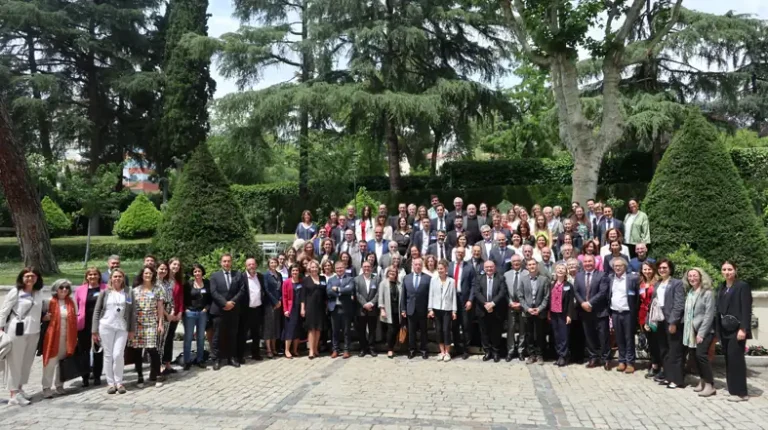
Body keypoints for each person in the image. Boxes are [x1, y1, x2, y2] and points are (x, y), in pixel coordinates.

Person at [0, 268, 44, 405]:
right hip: (17, 330)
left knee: (26, 362)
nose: (30, 279)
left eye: (33, 276)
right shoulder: (16, 292)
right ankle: (13, 394)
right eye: (27, 276)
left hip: (34, 330)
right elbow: (4, 311)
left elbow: (39, 310)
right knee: (15, 362)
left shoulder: (38, 293)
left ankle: (20, 389)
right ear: (22, 278)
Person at [92, 269, 135, 395]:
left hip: (122, 327)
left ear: (123, 278)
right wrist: (94, 330)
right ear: (111, 278)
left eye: (120, 276)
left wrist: (132, 329)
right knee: (108, 355)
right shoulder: (105, 292)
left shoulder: (128, 292)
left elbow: (132, 311)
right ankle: (111, 383)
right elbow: (97, 311)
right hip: (106, 326)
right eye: (115, 276)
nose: (117, 278)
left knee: (118, 354)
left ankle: (119, 382)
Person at [716, 261, 752, 401]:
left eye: (730, 269)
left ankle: (741, 392)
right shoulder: (722, 287)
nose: (727, 272)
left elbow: (746, 309)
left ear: (735, 270)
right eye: (724, 269)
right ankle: (732, 389)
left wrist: (743, 329)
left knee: (736, 359)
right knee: (729, 359)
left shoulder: (742, 286)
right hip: (725, 329)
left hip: (737, 329)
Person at [41, 279, 79, 398]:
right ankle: (46, 387)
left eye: (66, 288)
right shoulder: (49, 302)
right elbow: (41, 317)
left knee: (62, 362)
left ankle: (59, 385)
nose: (64, 290)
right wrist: (44, 318)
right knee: (50, 363)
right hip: (52, 337)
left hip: (66, 337)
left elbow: (75, 318)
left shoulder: (71, 302)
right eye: (61, 287)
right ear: (56, 289)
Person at [130, 266, 165, 388]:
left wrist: (160, 323)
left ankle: (158, 375)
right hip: (138, 323)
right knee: (138, 350)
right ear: (142, 275)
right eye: (145, 273)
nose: (148, 275)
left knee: (152, 349)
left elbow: (160, 308)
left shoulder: (158, 289)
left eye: (150, 273)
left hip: (151, 322)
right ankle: (140, 377)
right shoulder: (135, 290)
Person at [652, 259, 686, 389]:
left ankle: (677, 380)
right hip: (660, 320)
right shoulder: (657, 284)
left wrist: (673, 322)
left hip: (671, 321)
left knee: (675, 351)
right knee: (664, 350)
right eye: (660, 268)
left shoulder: (677, 283)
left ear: (670, 269)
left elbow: (679, 304)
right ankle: (667, 376)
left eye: (665, 268)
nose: (662, 270)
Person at [683, 267, 716, 397]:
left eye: (695, 276)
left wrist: (701, 333)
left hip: (704, 330)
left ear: (701, 277)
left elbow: (709, 315)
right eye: (690, 276)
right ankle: (702, 382)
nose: (692, 278)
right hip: (691, 330)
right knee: (695, 357)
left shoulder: (707, 293)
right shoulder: (691, 292)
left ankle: (710, 385)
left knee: (702, 356)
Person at [209, 253, 245, 370]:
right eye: (224, 261)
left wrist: (232, 303)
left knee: (232, 335)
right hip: (219, 310)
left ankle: (232, 357)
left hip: (233, 310)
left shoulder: (238, 274)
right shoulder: (215, 276)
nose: (226, 263)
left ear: (231, 262)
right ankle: (216, 359)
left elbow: (242, 290)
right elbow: (213, 292)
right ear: (221, 263)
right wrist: (225, 303)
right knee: (217, 336)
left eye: (228, 261)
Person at [574, 255, 610, 368]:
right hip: (585, 311)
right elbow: (576, 291)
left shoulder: (602, 274)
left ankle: (605, 358)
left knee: (603, 336)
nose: (588, 263)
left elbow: (603, 292)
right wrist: (582, 303)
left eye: (590, 261)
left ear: (595, 263)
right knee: (589, 336)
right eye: (585, 261)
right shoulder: (578, 275)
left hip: (600, 311)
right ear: (582, 263)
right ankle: (593, 358)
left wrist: (589, 303)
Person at [607, 257, 639, 373]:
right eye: (615, 266)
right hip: (615, 312)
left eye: (620, 265)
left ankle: (630, 362)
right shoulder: (611, 278)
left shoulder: (632, 279)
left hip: (628, 313)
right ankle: (621, 361)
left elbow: (637, 298)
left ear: (625, 267)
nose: (618, 268)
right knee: (619, 338)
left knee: (629, 338)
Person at [75, 267, 107, 387]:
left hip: (100, 324)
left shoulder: (105, 288)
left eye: (95, 274)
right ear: (87, 277)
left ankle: (97, 376)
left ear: (99, 276)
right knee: (84, 351)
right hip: (84, 324)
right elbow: (77, 306)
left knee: (98, 351)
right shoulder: (80, 290)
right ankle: (85, 377)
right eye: (90, 275)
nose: (92, 277)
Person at [474, 260, 506, 362]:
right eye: (487, 267)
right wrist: (486, 304)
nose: (489, 269)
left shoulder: (500, 278)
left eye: (491, 267)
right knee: (484, 332)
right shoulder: (479, 278)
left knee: (496, 332)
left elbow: (502, 292)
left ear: (494, 268)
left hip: (496, 310)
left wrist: (492, 303)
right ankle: (487, 351)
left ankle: (496, 352)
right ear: (484, 268)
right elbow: (477, 292)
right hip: (483, 310)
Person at [519, 259, 550, 365]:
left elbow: (546, 296)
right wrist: (527, 308)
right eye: (529, 264)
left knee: (540, 335)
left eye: (533, 264)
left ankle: (540, 355)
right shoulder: (523, 279)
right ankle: (531, 355)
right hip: (528, 312)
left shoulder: (544, 280)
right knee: (529, 335)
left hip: (539, 312)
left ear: (537, 266)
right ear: (527, 267)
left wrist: (540, 309)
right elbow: (520, 296)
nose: (531, 266)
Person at [401, 257, 432, 359]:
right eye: (416, 264)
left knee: (424, 331)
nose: (418, 266)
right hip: (410, 309)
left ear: (422, 266)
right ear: (412, 266)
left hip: (423, 310)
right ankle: (411, 350)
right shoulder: (406, 278)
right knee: (411, 331)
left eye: (419, 264)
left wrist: (429, 309)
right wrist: (403, 309)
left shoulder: (428, 278)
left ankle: (423, 350)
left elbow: (430, 295)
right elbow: (403, 295)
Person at [182, 264, 211, 370]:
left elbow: (210, 298)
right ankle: (187, 361)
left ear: (202, 272)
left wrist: (206, 309)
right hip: (190, 313)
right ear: (193, 273)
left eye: (199, 271)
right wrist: (186, 309)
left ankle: (200, 360)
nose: (197, 273)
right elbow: (183, 298)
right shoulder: (188, 284)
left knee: (200, 337)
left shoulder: (207, 283)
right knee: (188, 338)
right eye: (195, 272)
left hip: (202, 313)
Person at [428, 260, 457, 361]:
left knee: (446, 330)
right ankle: (442, 352)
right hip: (436, 309)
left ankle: (447, 352)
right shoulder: (433, 280)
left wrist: (454, 311)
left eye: (442, 268)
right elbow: (431, 294)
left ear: (446, 269)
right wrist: (430, 309)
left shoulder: (452, 281)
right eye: (439, 269)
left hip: (447, 309)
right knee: (438, 330)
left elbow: (453, 296)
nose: (440, 270)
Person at [449, 247, 475, 360]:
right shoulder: (449, 265)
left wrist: (470, 300)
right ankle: (457, 348)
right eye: (458, 252)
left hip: (464, 299)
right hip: (452, 299)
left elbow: (474, 284)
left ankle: (465, 349)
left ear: (464, 254)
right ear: (455, 253)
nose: (459, 254)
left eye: (462, 252)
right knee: (454, 326)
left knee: (465, 325)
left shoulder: (469, 267)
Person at [159, 259, 184, 377]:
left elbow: (180, 298)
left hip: (175, 313)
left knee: (169, 340)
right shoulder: (163, 280)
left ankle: (168, 363)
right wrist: (166, 314)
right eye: (174, 264)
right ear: (169, 265)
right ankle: (160, 365)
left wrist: (179, 313)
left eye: (178, 265)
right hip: (163, 314)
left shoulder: (177, 280)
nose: (176, 266)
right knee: (161, 340)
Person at [239, 257, 265, 362]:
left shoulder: (260, 276)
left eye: (253, 264)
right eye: (249, 264)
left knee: (256, 333)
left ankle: (256, 354)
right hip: (246, 310)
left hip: (257, 309)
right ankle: (240, 356)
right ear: (246, 266)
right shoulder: (241, 277)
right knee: (243, 334)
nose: (251, 266)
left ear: (256, 265)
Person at [638, 262, 661, 379]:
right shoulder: (641, 283)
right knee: (649, 342)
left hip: (653, 315)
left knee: (655, 341)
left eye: (649, 269)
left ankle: (657, 366)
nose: (647, 271)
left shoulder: (658, 282)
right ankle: (654, 363)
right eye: (645, 269)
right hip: (642, 314)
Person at [327, 261, 354, 358]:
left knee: (346, 330)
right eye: (337, 268)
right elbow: (329, 291)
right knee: (335, 331)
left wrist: (337, 289)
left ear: (344, 268)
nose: (339, 270)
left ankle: (346, 350)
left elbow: (350, 289)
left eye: (341, 268)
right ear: (335, 269)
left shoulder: (350, 279)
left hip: (345, 308)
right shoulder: (331, 279)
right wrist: (342, 291)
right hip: (334, 308)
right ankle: (335, 350)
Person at [549, 263, 574, 367]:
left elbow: (570, 302)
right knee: (556, 335)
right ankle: (559, 355)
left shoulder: (568, 285)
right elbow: (548, 300)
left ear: (565, 272)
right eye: (558, 268)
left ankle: (564, 356)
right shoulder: (551, 284)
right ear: (555, 270)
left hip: (563, 314)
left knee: (564, 336)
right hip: (553, 313)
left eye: (562, 269)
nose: (560, 270)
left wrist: (569, 315)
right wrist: (548, 313)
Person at [301, 260, 326, 359]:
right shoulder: (306, 280)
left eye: (316, 267)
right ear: (309, 269)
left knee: (318, 329)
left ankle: (316, 348)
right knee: (311, 329)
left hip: (320, 307)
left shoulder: (323, 278)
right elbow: (303, 296)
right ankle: (311, 350)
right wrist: (302, 309)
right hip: (310, 307)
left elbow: (325, 293)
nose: (314, 269)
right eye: (312, 267)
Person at [354, 261, 379, 357]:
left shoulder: (376, 278)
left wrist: (372, 303)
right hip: (361, 309)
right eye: (364, 267)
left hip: (373, 309)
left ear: (371, 267)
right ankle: (363, 348)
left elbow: (378, 293)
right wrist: (364, 304)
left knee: (372, 330)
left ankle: (372, 348)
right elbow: (357, 293)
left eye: (368, 266)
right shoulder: (357, 279)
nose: (367, 268)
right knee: (361, 330)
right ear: (362, 268)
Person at [504, 254, 527, 361]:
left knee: (523, 329)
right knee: (510, 329)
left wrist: (521, 304)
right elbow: (505, 292)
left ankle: (521, 351)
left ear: (521, 262)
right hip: (510, 306)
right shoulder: (506, 274)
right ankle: (510, 351)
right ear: (511, 263)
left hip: (523, 306)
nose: (516, 263)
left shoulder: (527, 274)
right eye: (514, 262)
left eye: (518, 261)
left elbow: (529, 292)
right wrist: (510, 303)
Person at [379, 266, 403, 358]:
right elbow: (381, 297)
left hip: (397, 310)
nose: (392, 273)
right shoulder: (383, 283)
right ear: (387, 272)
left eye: (394, 271)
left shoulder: (399, 283)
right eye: (390, 271)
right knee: (391, 330)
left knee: (396, 329)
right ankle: (390, 349)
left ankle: (393, 347)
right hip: (388, 310)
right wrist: (382, 309)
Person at [263, 258, 283, 359]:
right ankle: (268, 349)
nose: (273, 264)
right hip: (269, 304)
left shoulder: (279, 275)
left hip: (278, 304)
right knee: (268, 327)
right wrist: (275, 301)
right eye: (271, 262)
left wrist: (280, 300)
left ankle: (274, 347)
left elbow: (281, 289)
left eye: (275, 262)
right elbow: (266, 290)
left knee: (275, 326)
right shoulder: (266, 275)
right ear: (268, 264)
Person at [282, 265, 303, 359]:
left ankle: (295, 350)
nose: (295, 272)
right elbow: (284, 297)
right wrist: (285, 309)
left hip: (300, 308)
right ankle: (287, 350)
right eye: (293, 270)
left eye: (296, 270)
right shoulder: (286, 282)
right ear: (290, 272)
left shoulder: (302, 282)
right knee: (290, 329)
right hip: (291, 308)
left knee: (297, 329)